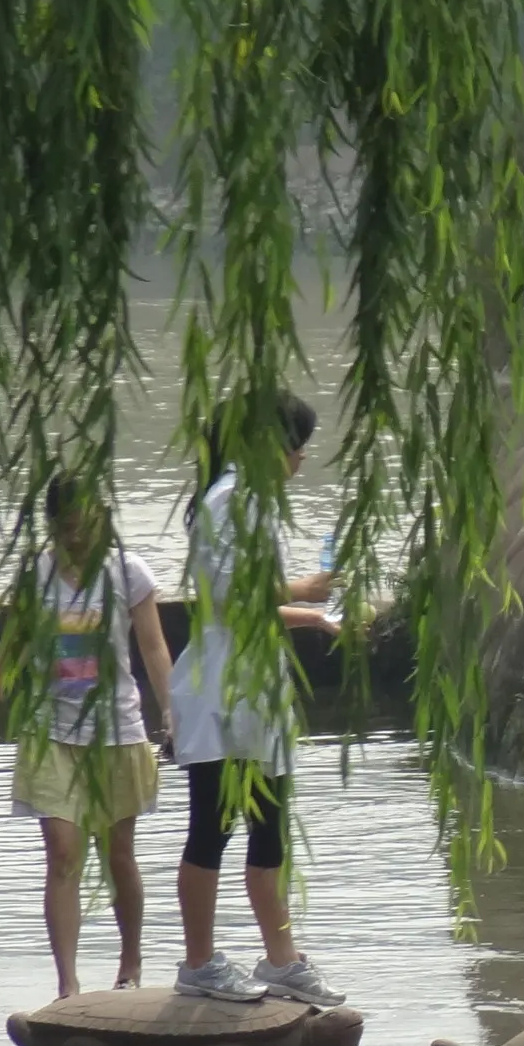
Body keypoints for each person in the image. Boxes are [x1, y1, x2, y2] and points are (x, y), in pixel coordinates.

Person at [0, 477, 176, 999]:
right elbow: (12, 649)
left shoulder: (128, 571)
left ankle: (130, 965)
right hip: (50, 730)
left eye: (85, 527)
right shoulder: (36, 577)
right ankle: (68, 986)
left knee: (118, 854)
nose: (77, 538)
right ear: (53, 527)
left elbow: (152, 649)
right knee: (62, 853)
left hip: (117, 729)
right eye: (67, 529)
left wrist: (174, 712)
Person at [169, 392, 346, 1007]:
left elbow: (260, 587)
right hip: (222, 688)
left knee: (268, 826)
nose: (300, 460)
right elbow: (235, 606)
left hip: (256, 690)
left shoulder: (252, 502)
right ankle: (199, 963)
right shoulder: (228, 502)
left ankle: (282, 960)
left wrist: (312, 588)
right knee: (212, 827)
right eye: (296, 447)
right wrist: (316, 618)